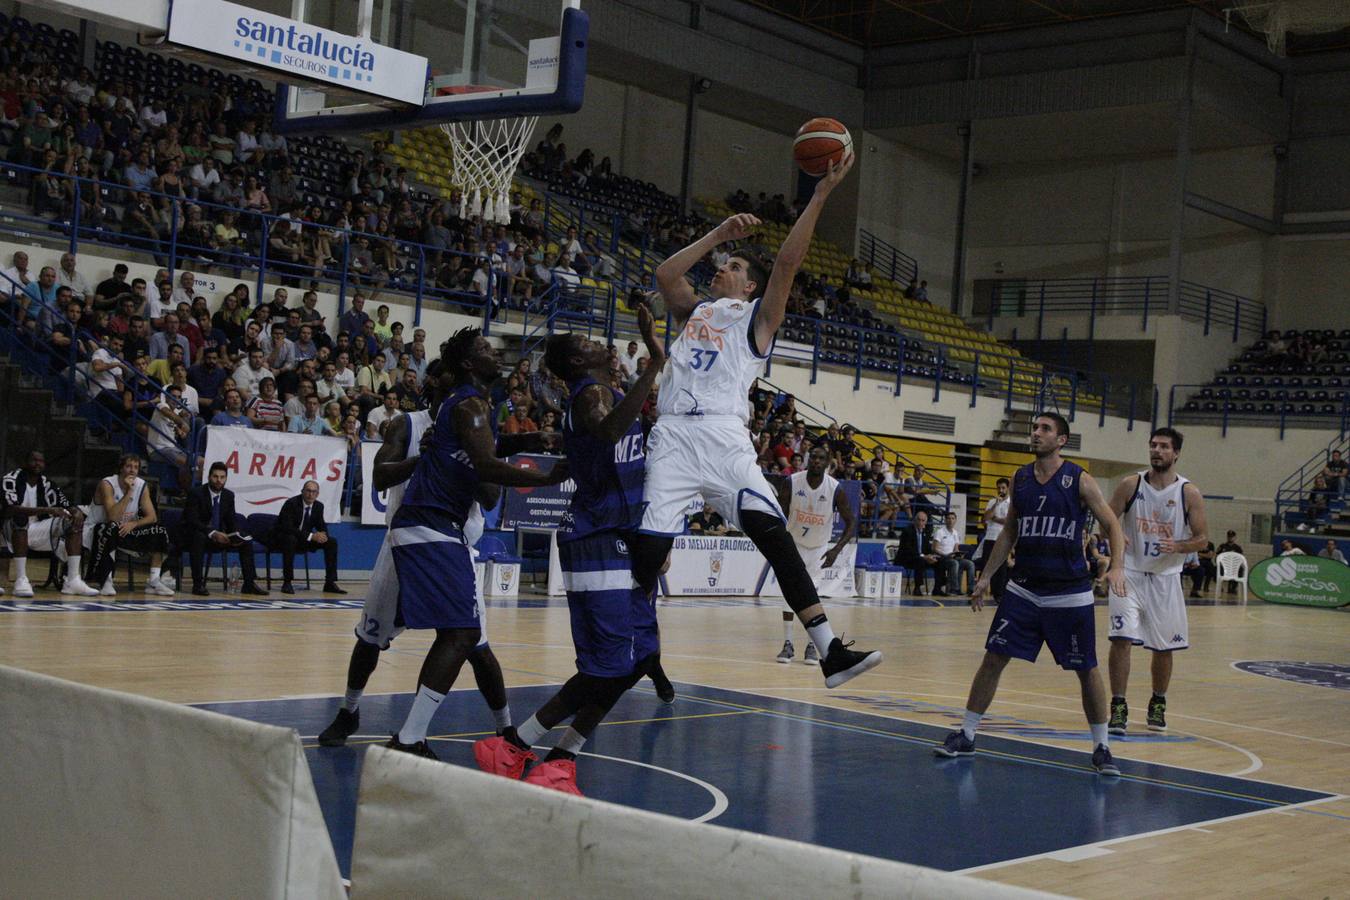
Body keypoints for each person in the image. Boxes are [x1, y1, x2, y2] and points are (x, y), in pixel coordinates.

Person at [637, 153, 879, 689]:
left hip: (724, 437)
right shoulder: (696, 311)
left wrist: (819, 196)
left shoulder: (758, 320)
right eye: (725, 263)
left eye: (736, 266)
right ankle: (636, 646)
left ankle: (830, 651)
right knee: (649, 551)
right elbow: (666, 273)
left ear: (750, 288)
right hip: (674, 433)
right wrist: (718, 233)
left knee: (774, 535)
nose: (724, 266)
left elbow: (788, 264)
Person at [472, 308, 670, 794]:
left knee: (641, 657)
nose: (597, 342)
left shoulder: (606, 393)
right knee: (607, 665)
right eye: (584, 341)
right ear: (576, 362)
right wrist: (652, 366)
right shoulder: (590, 395)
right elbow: (605, 432)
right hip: (596, 539)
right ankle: (518, 747)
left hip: (624, 537)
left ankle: (555, 755)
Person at [383, 328, 569, 758]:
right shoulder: (469, 403)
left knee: (458, 633)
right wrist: (543, 477)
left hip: (428, 526)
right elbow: (485, 462)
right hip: (430, 524)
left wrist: (529, 440)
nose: (495, 352)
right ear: (468, 364)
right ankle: (408, 738)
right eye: (485, 348)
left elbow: (486, 448)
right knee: (464, 633)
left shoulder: (470, 406)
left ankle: (411, 737)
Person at [317, 372, 517, 749]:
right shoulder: (406, 425)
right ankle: (349, 711)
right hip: (404, 544)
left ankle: (505, 728)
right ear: (434, 392)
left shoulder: (475, 426)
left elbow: (490, 498)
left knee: (476, 645)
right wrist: (425, 459)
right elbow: (378, 477)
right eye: (450, 389)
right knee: (370, 638)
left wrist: (475, 458)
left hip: (455, 546)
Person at [934, 413, 1126, 776]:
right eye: (1034, 428)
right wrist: (985, 575)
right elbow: (1009, 531)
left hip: (1069, 592)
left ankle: (1102, 747)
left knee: (1086, 669)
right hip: (1023, 588)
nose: (1036, 434)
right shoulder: (1020, 478)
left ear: (1061, 440)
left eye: (1045, 429)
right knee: (993, 658)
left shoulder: (1079, 480)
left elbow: (1112, 524)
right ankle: (967, 734)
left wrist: (1117, 566)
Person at [1105, 428, 1209, 736]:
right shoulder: (1131, 484)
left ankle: (1158, 701)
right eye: (1153, 445)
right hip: (1130, 573)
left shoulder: (1188, 492)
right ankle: (1119, 705)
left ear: (1176, 453)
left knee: (1163, 648)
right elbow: (1106, 517)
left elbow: (1203, 539)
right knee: (1121, 639)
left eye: (1164, 446)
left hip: (1166, 578)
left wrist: (1179, 546)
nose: (1157, 450)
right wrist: (1114, 533)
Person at [774, 445, 856, 665]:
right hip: (794, 545)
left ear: (828, 462)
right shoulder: (792, 482)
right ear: (808, 460)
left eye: (821, 458)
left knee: (812, 596)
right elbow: (778, 514)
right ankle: (788, 644)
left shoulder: (835, 488)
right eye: (814, 457)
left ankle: (812, 645)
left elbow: (851, 522)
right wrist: (780, 545)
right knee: (789, 594)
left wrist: (836, 549)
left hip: (819, 549)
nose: (817, 461)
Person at [1, 450, 95, 597]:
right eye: (34, 460)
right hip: (11, 531)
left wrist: (75, 512)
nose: (38, 464)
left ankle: (73, 580)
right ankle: (21, 580)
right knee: (20, 517)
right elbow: (11, 509)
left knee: (73, 521)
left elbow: (65, 503)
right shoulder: (11, 479)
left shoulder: (47, 484)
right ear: (25, 462)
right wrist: (47, 509)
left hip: (38, 530)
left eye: (41, 461)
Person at [86, 454, 174, 597]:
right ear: (121, 468)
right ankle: (106, 580)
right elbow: (112, 517)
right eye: (128, 466)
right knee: (112, 527)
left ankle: (154, 581)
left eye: (136, 467)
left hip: (125, 528)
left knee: (159, 531)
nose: (132, 470)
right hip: (97, 529)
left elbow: (152, 517)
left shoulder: (142, 485)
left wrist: (134, 523)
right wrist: (129, 492)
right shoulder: (107, 484)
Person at [175, 462, 266, 596]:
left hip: (219, 536)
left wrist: (235, 535)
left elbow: (231, 520)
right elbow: (192, 520)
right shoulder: (196, 493)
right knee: (198, 537)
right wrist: (212, 533)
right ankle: (198, 584)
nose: (219, 480)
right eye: (215, 477)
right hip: (197, 535)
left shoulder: (228, 496)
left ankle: (249, 583)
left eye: (222, 477)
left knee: (246, 541)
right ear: (209, 477)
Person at [263, 481, 344, 594]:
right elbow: (287, 528)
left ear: (317, 494)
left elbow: (322, 526)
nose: (311, 494)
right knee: (290, 539)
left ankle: (330, 582)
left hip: (303, 539)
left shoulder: (318, 506)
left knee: (331, 542)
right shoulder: (291, 503)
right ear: (302, 492)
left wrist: (323, 535)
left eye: (314, 492)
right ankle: (287, 582)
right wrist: (311, 536)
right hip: (283, 538)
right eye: (308, 491)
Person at [976, 478, 1011, 599]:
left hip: (1002, 538)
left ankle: (998, 594)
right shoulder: (992, 502)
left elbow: (1009, 521)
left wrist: (995, 519)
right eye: (999, 488)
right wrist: (995, 504)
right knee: (985, 565)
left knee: (1001, 567)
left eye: (1003, 488)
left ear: (1008, 488)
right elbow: (984, 519)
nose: (1001, 490)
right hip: (990, 537)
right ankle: (979, 592)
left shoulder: (1011, 503)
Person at [894, 509, 942, 596]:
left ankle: (937, 588)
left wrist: (931, 556)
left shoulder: (925, 533)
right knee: (920, 561)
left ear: (925, 522)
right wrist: (924, 556)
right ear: (915, 520)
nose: (920, 522)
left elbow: (928, 548)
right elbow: (908, 550)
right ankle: (917, 588)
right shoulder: (907, 531)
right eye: (919, 520)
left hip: (920, 558)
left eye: (923, 520)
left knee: (939, 561)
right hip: (906, 559)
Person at [933, 510, 975, 596]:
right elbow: (934, 548)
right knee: (954, 563)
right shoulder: (939, 532)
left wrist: (959, 554)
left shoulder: (956, 533)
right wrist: (946, 555)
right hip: (942, 558)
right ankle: (954, 589)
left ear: (955, 520)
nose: (950, 520)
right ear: (945, 520)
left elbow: (956, 549)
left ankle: (971, 589)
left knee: (970, 563)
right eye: (948, 518)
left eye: (952, 518)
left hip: (953, 557)